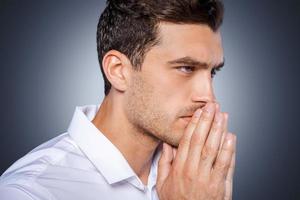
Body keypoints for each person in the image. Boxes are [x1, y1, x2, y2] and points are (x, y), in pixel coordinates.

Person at [0, 0, 237, 199]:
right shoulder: (30, 191)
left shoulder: (198, 178)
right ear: (118, 70)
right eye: (186, 68)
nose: (209, 97)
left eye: (212, 72)